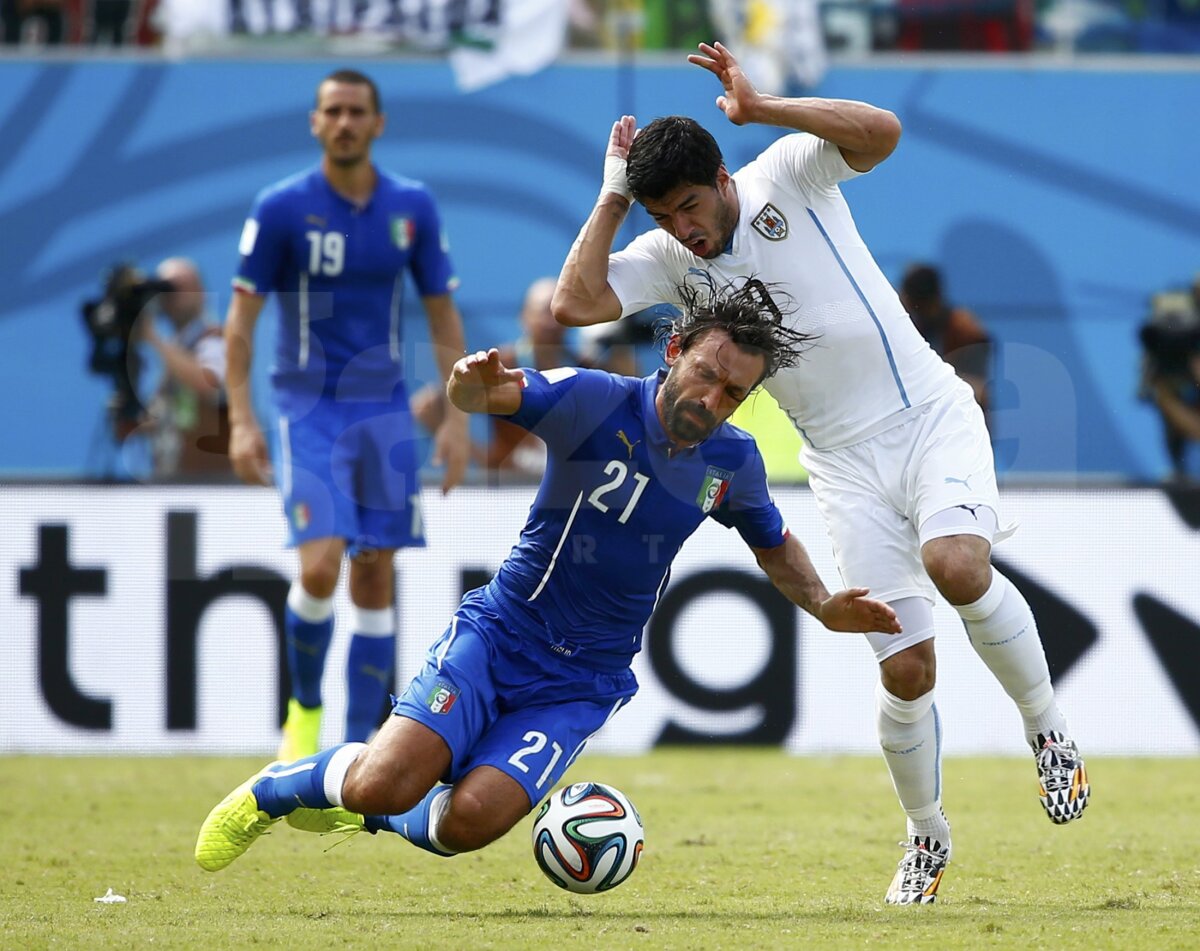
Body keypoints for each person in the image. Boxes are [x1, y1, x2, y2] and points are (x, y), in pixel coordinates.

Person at [551, 41, 1090, 905]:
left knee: (958, 565)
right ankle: (927, 836)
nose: (682, 227)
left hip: (926, 415)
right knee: (906, 670)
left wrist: (765, 106)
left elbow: (883, 131)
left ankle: (1048, 728)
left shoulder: (785, 173)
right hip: (841, 463)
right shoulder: (668, 261)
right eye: (664, 214)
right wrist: (615, 195)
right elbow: (572, 304)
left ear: (722, 178)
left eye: (688, 204)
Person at [194, 278, 902, 874]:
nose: (713, 400)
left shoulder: (732, 463)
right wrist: (470, 389)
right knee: (387, 779)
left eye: (733, 394)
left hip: (583, 680)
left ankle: (369, 815)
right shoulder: (595, 401)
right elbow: (493, 397)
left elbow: (771, 540)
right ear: (675, 351)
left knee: (465, 824)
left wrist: (820, 602)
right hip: (502, 633)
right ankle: (276, 790)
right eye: (708, 376)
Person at [223, 68, 470, 762]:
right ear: (315, 122)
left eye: (356, 111)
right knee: (322, 568)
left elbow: (441, 310)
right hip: (307, 405)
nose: (344, 122)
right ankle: (304, 707)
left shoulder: (411, 207)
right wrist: (241, 419)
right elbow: (240, 322)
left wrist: (455, 419)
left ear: (378, 123)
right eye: (332, 111)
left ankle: (360, 747)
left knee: (374, 571)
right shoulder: (280, 208)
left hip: (383, 407)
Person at [410, 276, 576, 478]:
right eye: (544, 312)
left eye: (558, 312)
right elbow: (425, 407)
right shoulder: (502, 363)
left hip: (564, 488)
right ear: (524, 317)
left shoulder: (583, 365)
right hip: (510, 490)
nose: (552, 322)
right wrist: (485, 461)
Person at [138, 257, 231, 481]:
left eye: (180, 287)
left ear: (200, 291)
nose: (173, 296)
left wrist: (153, 338)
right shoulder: (175, 349)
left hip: (216, 486)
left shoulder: (215, 337)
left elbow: (208, 382)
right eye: (166, 289)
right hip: (175, 479)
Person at [899, 263, 991, 415]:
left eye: (906, 298)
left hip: (963, 422)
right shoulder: (912, 326)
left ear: (919, 302)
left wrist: (927, 380)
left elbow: (978, 390)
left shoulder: (965, 330)